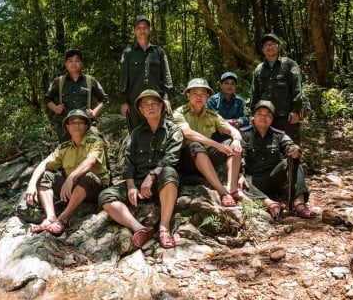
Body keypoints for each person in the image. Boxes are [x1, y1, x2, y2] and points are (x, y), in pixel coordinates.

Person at [99, 90, 182, 249]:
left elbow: (171, 157)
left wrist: (151, 176)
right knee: (106, 196)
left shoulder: (173, 130)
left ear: (161, 106)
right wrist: (131, 186)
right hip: (138, 181)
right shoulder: (136, 134)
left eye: (154, 103)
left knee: (169, 172)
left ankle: (164, 228)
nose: (150, 107)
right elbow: (128, 162)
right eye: (145, 104)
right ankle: (141, 229)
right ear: (141, 110)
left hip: (161, 182)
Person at [24, 109, 111, 235]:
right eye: (73, 122)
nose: (76, 125)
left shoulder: (95, 141)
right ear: (68, 127)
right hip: (74, 189)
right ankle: (50, 218)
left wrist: (70, 178)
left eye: (80, 122)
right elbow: (44, 164)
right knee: (44, 176)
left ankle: (63, 218)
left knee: (87, 176)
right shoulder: (63, 148)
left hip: (96, 188)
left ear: (86, 126)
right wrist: (31, 184)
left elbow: (91, 161)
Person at [172, 78, 245, 207]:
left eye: (203, 93)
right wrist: (217, 145)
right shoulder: (180, 112)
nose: (199, 97)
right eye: (195, 93)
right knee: (195, 145)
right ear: (188, 95)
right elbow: (188, 133)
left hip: (206, 156)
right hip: (186, 158)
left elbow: (231, 130)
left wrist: (237, 140)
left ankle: (232, 187)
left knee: (232, 143)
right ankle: (222, 192)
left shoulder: (212, 114)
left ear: (207, 96)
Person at [239, 100, 316, 220]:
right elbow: (240, 157)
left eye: (267, 114)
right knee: (240, 182)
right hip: (254, 180)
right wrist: (240, 174)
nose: (263, 117)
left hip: (274, 177)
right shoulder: (244, 134)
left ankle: (299, 204)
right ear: (253, 116)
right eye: (259, 113)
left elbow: (291, 144)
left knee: (293, 161)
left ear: (272, 119)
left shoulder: (278, 134)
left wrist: (294, 150)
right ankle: (270, 203)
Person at [118, 15, 174, 131]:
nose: (142, 30)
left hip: (156, 100)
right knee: (136, 133)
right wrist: (124, 102)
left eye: (145, 27)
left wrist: (166, 98)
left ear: (149, 30)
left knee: (158, 131)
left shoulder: (159, 52)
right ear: (134, 31)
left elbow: (166, 76)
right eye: (138, 27)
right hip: (134, 101)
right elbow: (123, 78)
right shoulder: (128, 52)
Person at [250, 33, 304, 142]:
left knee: (290, 145)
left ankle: (294, 160)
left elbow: (297, 88)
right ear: (262, 50)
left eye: (272, 44)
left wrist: (296, 111)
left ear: (278, 47)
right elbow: (254, 92)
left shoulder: (289, 64)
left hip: (285, 115)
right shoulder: (259, 69)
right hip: (265, 115)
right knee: (266, 145)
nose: (269, 47)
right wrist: (253, 113)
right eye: (266, 45)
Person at [45, 49, 109, 141]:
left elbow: (104, 99)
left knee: (97, 144)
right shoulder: (59, 81)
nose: (73, 63)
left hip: (86, 123)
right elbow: (47, 98)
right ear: (66, 64)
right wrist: (55, 108)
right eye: (70, 61)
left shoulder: (90, 81)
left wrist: (94, 112)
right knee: (66, 152)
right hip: (65, 124)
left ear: (81, 63)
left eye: (77, 61)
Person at [206, 71, 250, 142]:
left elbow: (246, 118)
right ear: (221, 85)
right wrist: (226, 122)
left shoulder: (240, 101)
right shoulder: (212, 101)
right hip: (216, 136)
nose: (229, 86)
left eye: (232, 84)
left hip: (236, 135)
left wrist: (239, 121)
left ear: (235, 86)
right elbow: (210, 120)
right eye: (226, 83)